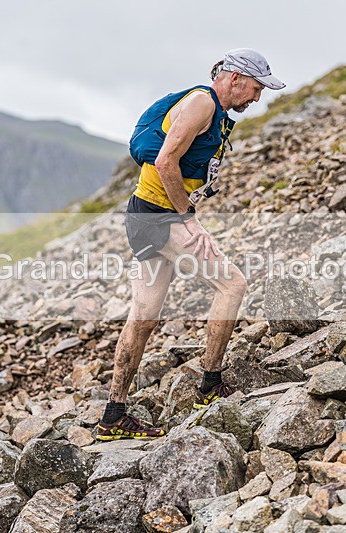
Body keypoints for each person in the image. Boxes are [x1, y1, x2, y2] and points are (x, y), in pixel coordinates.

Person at [96, 48, 285, 440]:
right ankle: (209, 385)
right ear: (234, 78)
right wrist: (187, 218)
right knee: (232, 285)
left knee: (143, 318)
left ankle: (113, 416)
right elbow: (166, 161)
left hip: (144, 216)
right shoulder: (202, 103)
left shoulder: (210, 108)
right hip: (162, 217)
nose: (256, 98)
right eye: (254, 89)